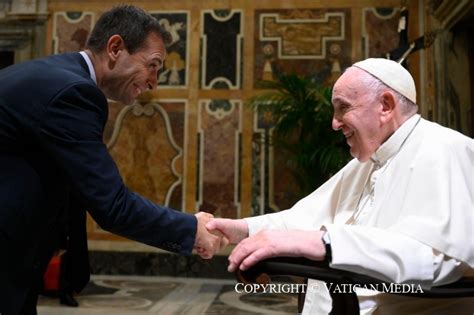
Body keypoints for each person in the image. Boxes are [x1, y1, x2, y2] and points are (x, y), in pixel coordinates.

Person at [0, 5, 225, 315]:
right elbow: (113, 206)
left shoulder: (53, 74)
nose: (153, 82)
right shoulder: (74, 93)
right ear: (116, 48)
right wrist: (191, 230)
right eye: (153, 65)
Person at [207, 58, 474, 314]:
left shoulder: (445, 149)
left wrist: (325, 243)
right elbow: (304, 220)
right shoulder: (369, 160)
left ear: (385, 105)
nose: (334, 123)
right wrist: (242, 229)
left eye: (343, 107)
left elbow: (435, 257)